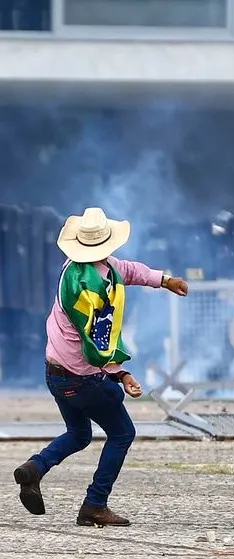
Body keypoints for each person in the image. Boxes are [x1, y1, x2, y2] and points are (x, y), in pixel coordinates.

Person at [12, 207, 189, 526]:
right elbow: (97, 345)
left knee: (79, 434)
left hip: (55, 373)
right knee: (123, 432)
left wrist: (163, 280)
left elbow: (129, 270)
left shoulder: (77, 267)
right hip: (81, 378)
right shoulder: (88, 291)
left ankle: (35, 468)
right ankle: (94, 504)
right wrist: (121, 374)